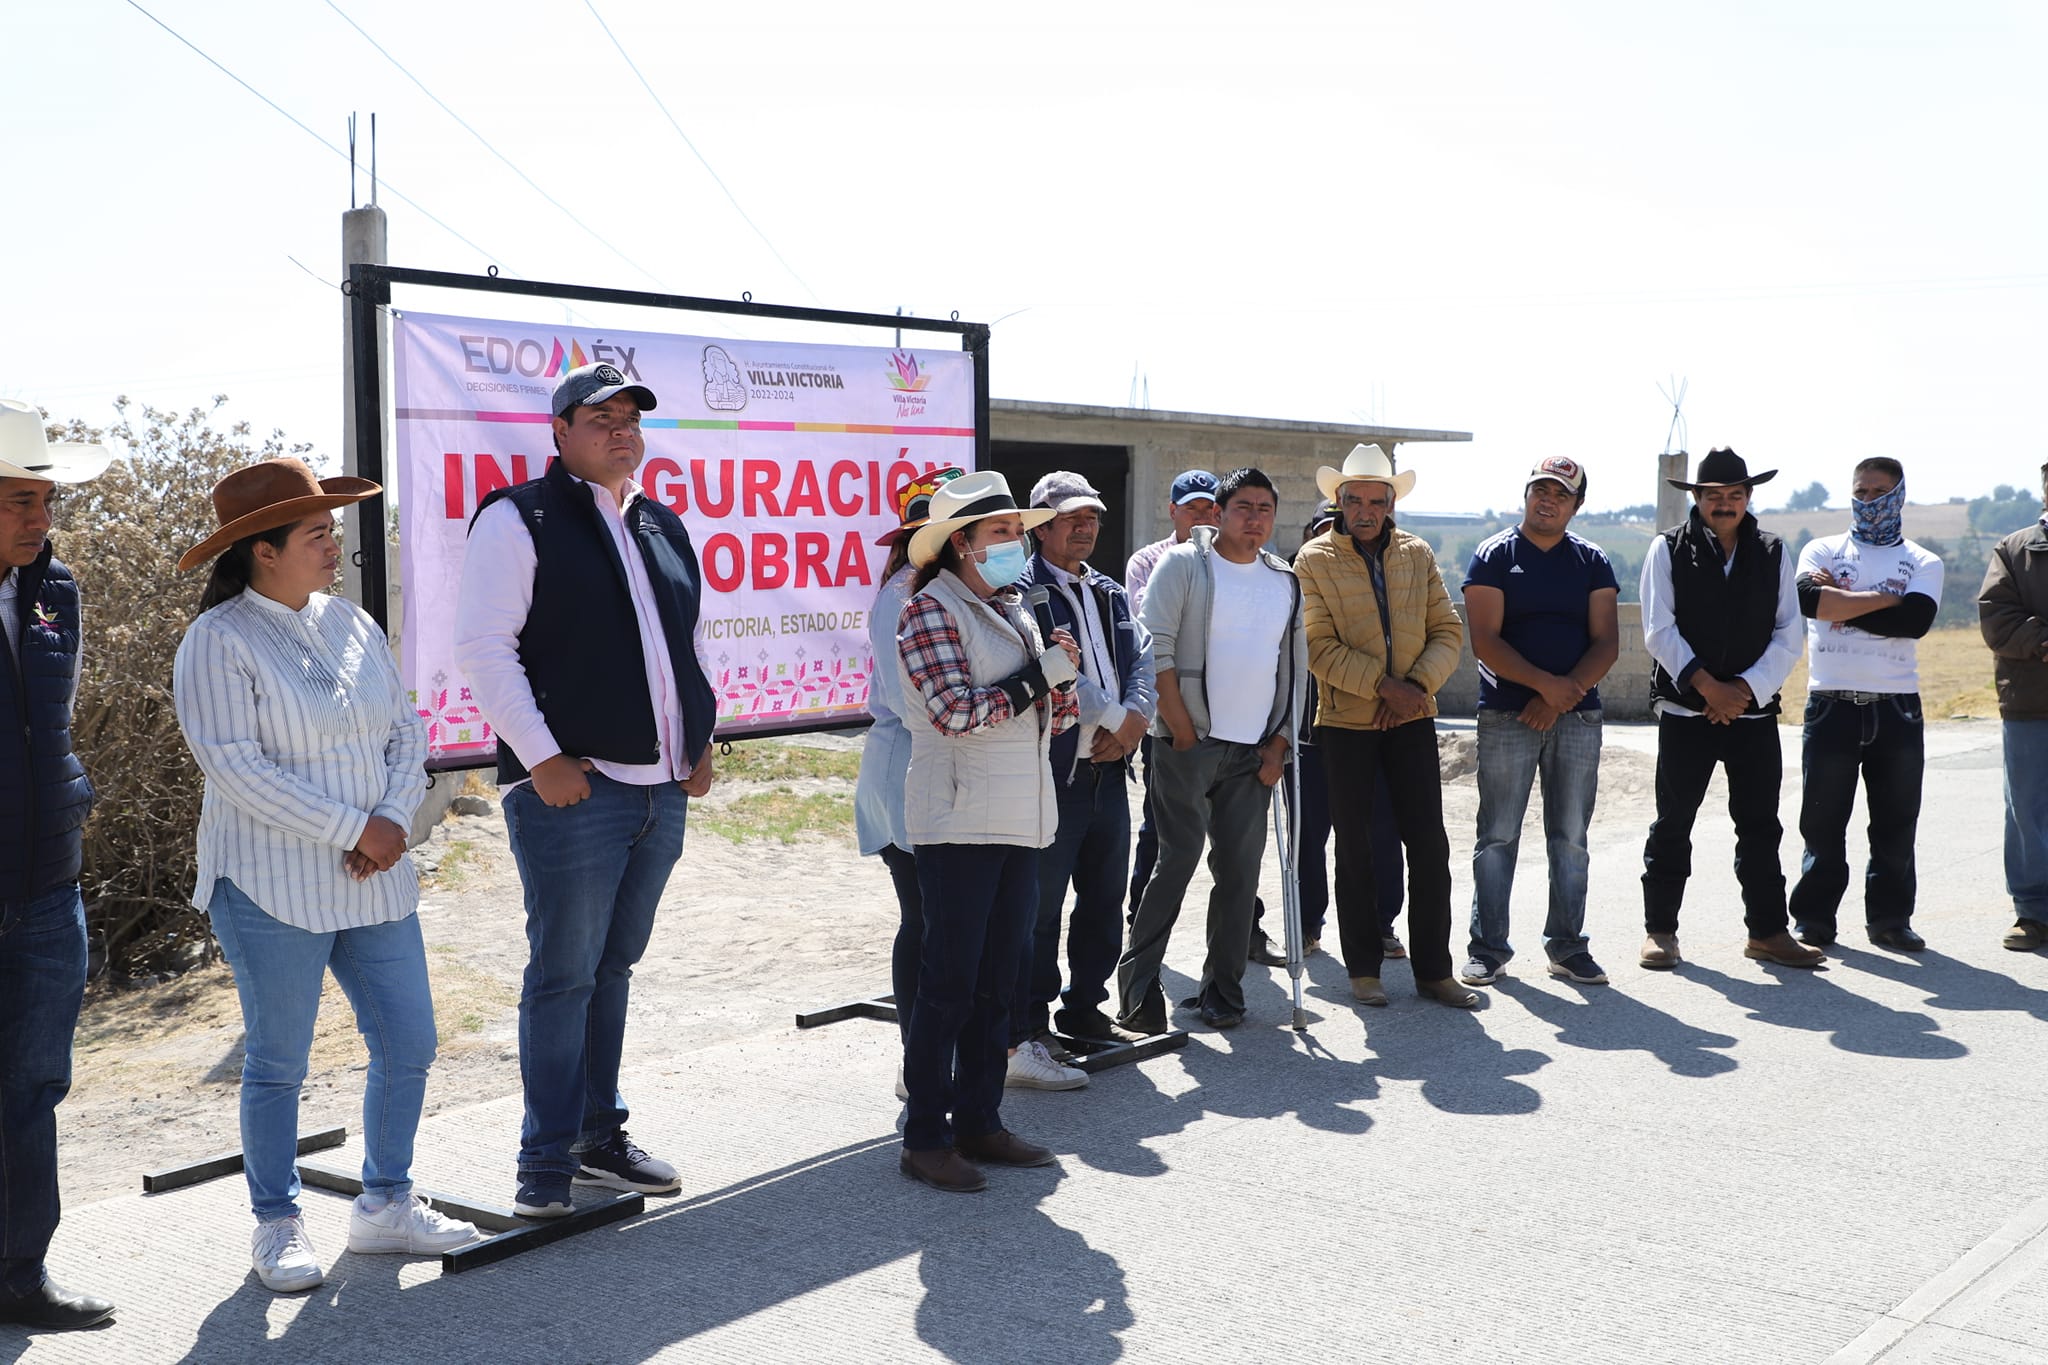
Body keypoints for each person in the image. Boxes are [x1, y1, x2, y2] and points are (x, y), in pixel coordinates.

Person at [174, 458, 477, 1293]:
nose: (334, 543)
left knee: (410, 1039)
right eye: (317, 533)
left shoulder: (354, 623)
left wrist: (390, 821)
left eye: (331, 530)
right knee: (279, 1060)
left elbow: (406, 734)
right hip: (271, 882)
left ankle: (384, 1204)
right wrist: (361, 827)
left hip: (372, 876)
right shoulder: (218, 639)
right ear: (262, 551)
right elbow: (237, 766)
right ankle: (276, 1221)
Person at [453, 362, 717, 1217]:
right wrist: (541, 757)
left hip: (658, 790)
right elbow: (485, 649)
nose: (618, 429)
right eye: (597, 416)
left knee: (613, 970)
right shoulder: (516, 518)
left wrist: (698, 740)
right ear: (559, 432)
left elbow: (689, 646)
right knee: (563, 976)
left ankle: (598, 1140)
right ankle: (544, 1168)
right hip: (576, 790)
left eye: (629, 415)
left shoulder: (663, 523)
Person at [894, 471, 1079, 1192]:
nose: (1016, 544)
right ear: (962, 544)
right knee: (949, 985)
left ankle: (980, 1118)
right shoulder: (930, 612)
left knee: (998, 982)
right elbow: (953, 711)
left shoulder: (1012, 608)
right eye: (1001, 532)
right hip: (959, 818)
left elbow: (1049, 720)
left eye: (1016, 531)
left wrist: (1060, 683)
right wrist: (1041, 677)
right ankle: (925, 1136)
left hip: (1018, 817)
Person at [1116, 467, 1306, 1032]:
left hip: (1254, 752)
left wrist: (1279, 746)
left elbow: (1295, 670)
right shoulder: (1183, 566)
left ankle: (1223, 991)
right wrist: (1177, 727)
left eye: (1264, 509)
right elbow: (1157, 650)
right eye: (1243, 507)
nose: (1255, 518)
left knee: (1241, 874)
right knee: (1175, 862)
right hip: (1188, 743)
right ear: (1219, 514)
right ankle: (1137, 991)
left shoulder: (1284, 579)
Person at [0, 401, 115, 1330]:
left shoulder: (56, 590)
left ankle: (19, 1271)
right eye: (14, 499)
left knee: (34, 1082)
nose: (38, 517)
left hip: (46, 882)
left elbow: (50, 729)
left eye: (43, 497)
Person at [1295, 444, 1474, 1010]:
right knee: (1354, 850)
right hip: (1348, 723)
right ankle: (1363, 970)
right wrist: (1384, 688)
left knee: (1427, 845)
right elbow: (1316, 645)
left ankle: (1436, 971)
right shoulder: (1313, 560)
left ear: (1391, 503)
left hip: (1412, 718)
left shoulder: (1418, 554)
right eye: (1355, 500)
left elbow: (1447, 629)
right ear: (1339, 502)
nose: (1366, 509)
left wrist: (1414, 691)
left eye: (1377, 499)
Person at [1638, 448, 1821, 970]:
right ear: (1697, 499)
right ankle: (1661, 932)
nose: (1724, 505)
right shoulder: (1666, 549)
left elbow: (1789, 633)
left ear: (1748, 498)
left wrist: (1742, 688)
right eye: (1714, 496)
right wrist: (1706, 688)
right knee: (1673, 823)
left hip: (1752, 714)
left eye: (1734, 496)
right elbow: (1658, 629)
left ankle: (1767, 931)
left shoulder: (1772, 551)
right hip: (1686, 713)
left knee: (1761, 825)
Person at [1460, 457, 1620, 988]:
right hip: (1508, 714)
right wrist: (1542, 687)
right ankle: (1487, 949)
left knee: (1571, 836)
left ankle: (1568, 947)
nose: (1547, 499)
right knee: (1498, 833)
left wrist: (1557, 697)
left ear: (1576, 505)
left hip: (1576, 715)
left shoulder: (1593, 562)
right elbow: (1484, 640)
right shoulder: (1494, 556)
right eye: (1539, 489)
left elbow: (1607, 643)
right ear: (1526, 496)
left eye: (1560, 493)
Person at [1012, 472, 1155, 1058]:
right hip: (1057, 772)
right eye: (1072, 518)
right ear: (1041, 525)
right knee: (1041, 907)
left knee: (1102, 898)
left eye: (1092, 516)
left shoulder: (1109, 590)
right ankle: (1031, 1023)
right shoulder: (1023, 592)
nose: (1086, 526)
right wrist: (1117, 719)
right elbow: (1054, 666)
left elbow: (1143, 655)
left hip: (1109, 770)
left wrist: (1134, 721)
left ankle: (1085, 1009)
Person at [1788, 458, 1942, 952]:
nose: (1868, 500)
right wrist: (1887, 599)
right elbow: (1812, 603)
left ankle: (1890, 919)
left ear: (1899, 495)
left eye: (1879, 491)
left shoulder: (1923, 561)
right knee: (1821, 821)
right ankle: (1813, 920)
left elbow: (1914, 622)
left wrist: (1848, 599)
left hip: (1896, 708)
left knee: (1895, 821)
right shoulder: (1823, 548)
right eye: (1861, 490)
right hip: (1830, 705)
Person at [854, 466, 964, 1101]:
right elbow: (914, 698)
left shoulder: (959, 588)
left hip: (943, 767)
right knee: (925, 920)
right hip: (911, 766)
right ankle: (915, 1061)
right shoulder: (905, 592)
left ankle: (937, 1054)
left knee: (943, 921)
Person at [1122, 469, 1220, 915]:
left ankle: (1248, 925)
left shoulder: (1233, 558)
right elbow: (1153, 627)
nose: (1202, 516)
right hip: (1169, 712)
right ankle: (1140, 917)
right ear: (1172, 511)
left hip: (1226, 709)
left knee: (1232, 830)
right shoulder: (1148, 561)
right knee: (1159, 822)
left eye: (1209, 507)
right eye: (1192, 508)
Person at [1977, 461, 2048, 952]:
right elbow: (1996, 618)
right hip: (2031, 700)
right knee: (2028, 809)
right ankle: (2033, 911)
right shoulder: (2015, 549)